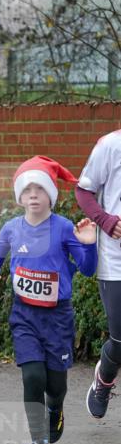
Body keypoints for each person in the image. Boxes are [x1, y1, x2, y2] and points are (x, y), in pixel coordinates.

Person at [0, 156, 97, 444]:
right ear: (19, 196)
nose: (33, 194)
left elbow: (87, 269)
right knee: (32, 377)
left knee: (55, 386)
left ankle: (55, 409)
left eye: (40, 189)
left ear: (50, 196)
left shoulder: (63, 228)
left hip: (58, 318)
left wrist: (89, 244)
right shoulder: (10, 229)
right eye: (27, 189)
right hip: (25, 316)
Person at [75, 130, 121, 419]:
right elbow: (83, 191)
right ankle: (103, 380)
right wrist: (105, 220)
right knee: (119, 340)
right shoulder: (111, 144)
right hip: (116, 258)